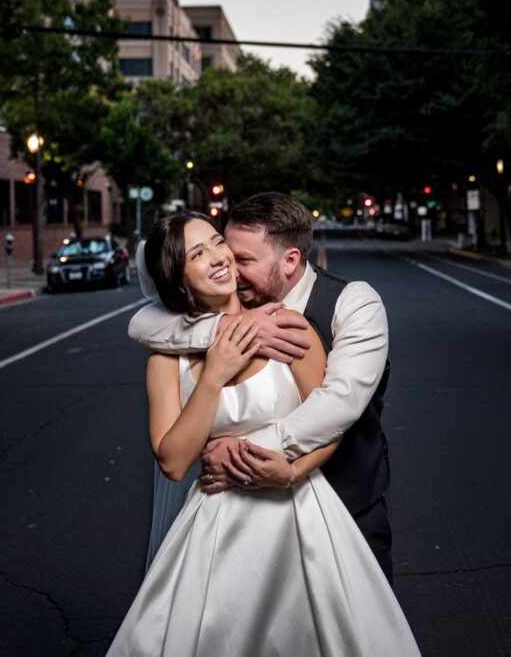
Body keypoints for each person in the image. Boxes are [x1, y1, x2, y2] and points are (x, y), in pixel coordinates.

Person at [106, 211, 419, 656]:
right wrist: (213, 375)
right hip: (217, 523)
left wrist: (290, 471)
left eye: (219, 243)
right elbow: (173, 461)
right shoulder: (165, 361)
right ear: (178, 281)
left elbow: (331, 424)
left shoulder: (289, 325)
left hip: (302, 514)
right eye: (198, 253)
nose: (220, 257)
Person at [129, 192, 394, 581]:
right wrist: (224, 334)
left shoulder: (352, 305)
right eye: (204, 253)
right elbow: (140, 324)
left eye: (241, 259)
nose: (228, 265)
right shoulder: (225, 323)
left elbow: (336, 409)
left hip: (340, 507)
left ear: (289, 260)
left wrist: (241, 459)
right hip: (221, 523)